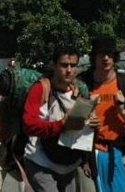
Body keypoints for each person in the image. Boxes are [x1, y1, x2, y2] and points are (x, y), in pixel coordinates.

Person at [22, 45, 93, 192]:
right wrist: (62, 125)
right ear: (54, 65)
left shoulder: (78, 90)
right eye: (64, 65)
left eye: (73, 65)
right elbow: (28, 124)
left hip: (68, 164)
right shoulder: (41, 88)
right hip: (39, 160)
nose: (69, 70)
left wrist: (92, 124)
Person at [85, 35, 125, 192]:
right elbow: (69, 121)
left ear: (115, 57)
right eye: (100, 54)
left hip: (115, 151)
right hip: (89, 153)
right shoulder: (84, 84)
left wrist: (121, 110)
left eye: (109, 54)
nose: (105, 58)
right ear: (94, 57)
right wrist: (86, 111)